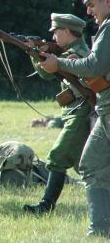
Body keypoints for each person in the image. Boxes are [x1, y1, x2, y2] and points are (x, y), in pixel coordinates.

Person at [39, 0, 110, 237]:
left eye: (91, 4)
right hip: (105, 109)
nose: (89, 11)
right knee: (91, 164)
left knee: (91, 164)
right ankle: (100, 232)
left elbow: (93, 67)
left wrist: (58, 62)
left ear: (107, 0)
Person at [22, 13, 92, 214]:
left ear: (68, 32)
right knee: (85, 166)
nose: (53, 37)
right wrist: (34, 52)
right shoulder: (69, 52)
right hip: (74, 112)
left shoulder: (77, 54)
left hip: (81, 112)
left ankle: (46, 205)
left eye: (56, 32)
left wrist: (37, 53)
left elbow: (48, 71)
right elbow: (46, 72)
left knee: (57, 157)